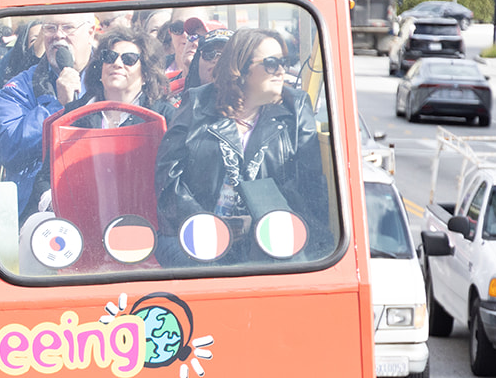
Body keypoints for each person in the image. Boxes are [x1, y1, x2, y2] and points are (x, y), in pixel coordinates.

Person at [155, 28, 330, 262]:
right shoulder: (198, 102)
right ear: (240, 68)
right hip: (200, 233)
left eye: (284, 62)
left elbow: (310, 189)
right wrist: (207, 223)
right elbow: (168, 178)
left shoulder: (295, 109)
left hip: (273, 236)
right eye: (271, 63)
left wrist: (259, 221)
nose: (281, 70)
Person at [0, 12, 98, 215]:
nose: (58, 35)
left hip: (102, 192)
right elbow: (6, 148)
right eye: (50, 28)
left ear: (90, 33)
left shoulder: (113, 75)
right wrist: (58, 107)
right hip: (38, 206)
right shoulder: (19, 87)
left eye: (67, 27)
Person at [62, 25, 179, 127]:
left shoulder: (165, 115)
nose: (117, 64)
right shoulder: (74, 113)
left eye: (129, 59)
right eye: (110, 56)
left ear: (145, 74)